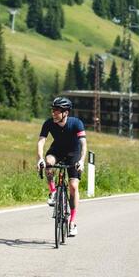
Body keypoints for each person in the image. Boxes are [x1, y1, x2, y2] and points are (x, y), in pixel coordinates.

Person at [37, 96, 87, 237]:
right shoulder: (48, 123)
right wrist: (40, 159)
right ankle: (53, 191)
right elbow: (41, 142)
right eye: (52, 110)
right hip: (57, 150)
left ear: (65, 113)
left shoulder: (76, 123)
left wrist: (82, 161)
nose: (53, 113)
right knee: (48, 164)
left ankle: (72, 222)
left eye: (56, 111)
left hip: (74, 153)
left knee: (73, 186)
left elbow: (83, 144)